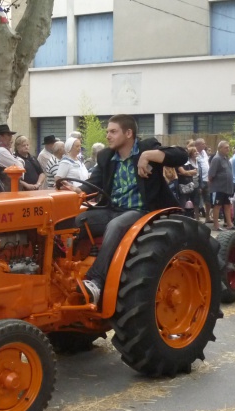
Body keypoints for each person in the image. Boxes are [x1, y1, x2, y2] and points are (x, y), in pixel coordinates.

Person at [63, 114, 187, 305]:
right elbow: (93, 182)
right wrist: (76, 190)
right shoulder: (106, 157)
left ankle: (97, 280)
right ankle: (65, 273)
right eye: (107, 132)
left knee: (116, 225)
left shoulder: (146, 147)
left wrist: (147, 156)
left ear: (129, 133)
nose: (108, 136)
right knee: (77, 221)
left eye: (113, 131)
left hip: (143, 211)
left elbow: (181, 155)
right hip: (113, 209)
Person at [208, 140, 235, 231]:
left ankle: (229, 224)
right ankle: (216, 225)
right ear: (219, 149)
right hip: (218, 188)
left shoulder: (226, 159)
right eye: (226, 147)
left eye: (228, 147)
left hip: (227, 188)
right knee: (217, 206)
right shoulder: (216, 159)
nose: (228, 149)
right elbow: (211, 174)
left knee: (227, 205)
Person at [0, 124, 24, 190]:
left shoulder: (0, 149)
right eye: (8, 135)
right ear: (0, 137)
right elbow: (19, 166)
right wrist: (20, 160)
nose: (11, 138)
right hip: (6, 188)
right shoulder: (1, 151)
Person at [178, 146, 201, 219]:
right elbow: (183, 172)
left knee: (192, 203)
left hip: (190, 186)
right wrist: (188, 172)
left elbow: (195, 172)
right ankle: (182, 218)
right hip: (182, 186)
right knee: (183, 203)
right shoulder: (178, 163)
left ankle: (192, 217)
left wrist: (187, 172)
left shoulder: (187, 162)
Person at [194, 138, 212, 222]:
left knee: (208, 199)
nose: (204, 145)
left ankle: (207, 217)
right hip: (199, 180)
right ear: (197, 145)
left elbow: (207, 164)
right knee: (197, 199)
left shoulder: (204, 152)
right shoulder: (195, 154)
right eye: (202, 144)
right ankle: (197, 217)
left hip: (207, 179)